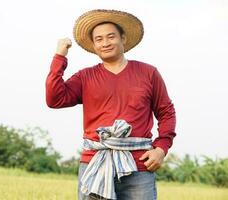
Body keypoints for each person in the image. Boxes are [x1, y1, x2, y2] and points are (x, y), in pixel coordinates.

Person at [46, 9, 176, 200]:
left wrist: (161, 148)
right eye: (99, 39)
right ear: (94, 45)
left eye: (110, 37)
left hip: (139, 165)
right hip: (94, 163)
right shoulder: (85, 77)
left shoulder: (148, 73)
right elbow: (54, 99)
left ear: (123, 38)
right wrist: (60, 56)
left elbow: (166, 112)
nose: (105, 43)